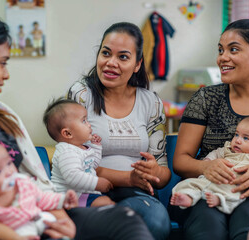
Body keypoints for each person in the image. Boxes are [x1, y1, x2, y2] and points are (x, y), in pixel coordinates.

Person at [0, 8, 153, 240]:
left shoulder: (4, 116)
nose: (6, 75)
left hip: (34, 218)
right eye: (2, 63)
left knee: (125, 221)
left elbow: (40, 183)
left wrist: (62, 219)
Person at [168, 18, 249, 240]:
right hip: (208, 187)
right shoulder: (206, 98)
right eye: (221, 50)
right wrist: (206, 167)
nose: (222, 57)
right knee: (208, 224)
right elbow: (181, 161)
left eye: (233, 49)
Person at [68, 22, 171, 240]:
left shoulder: (151, 102)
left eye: (123, 57)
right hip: (89, 191)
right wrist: (128, 178)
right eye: (106, 53)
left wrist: (154, 172)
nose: (110, 63)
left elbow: (163, 173)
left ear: (137, 64)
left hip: (137, 195)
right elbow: (70, 163)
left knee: (155, 221)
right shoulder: (81, 95)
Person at [171, 115, 249, 214]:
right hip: (212, 178)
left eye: (246, 138)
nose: (237, 140)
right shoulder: (227, 149)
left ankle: (219, 200)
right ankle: (187, 197)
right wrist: (208, 162)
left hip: (233, 185)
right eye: (237, 134)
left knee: (234, 196)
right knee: (191, 183)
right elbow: (215, 153)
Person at [43, 98, 115, 207]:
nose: (89, 124)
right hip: (71, 197)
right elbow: (73, 176)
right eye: (83, 121)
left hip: (84, 193)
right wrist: (96, 183)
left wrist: (96, 146)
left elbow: (92, 164)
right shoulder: (66, 151)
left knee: (108, 202)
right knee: (106, 203)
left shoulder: (81, 147)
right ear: (67, 133)